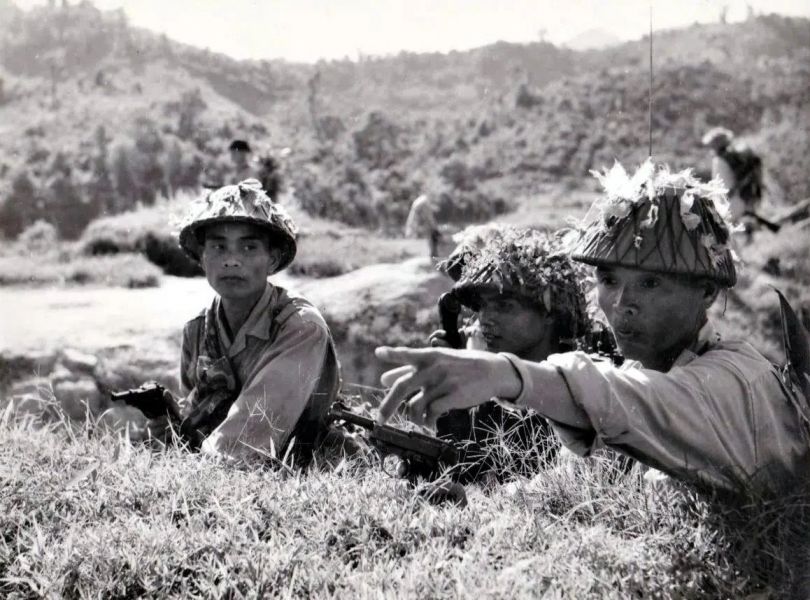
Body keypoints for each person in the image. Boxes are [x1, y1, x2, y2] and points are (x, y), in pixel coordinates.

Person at [375, 160, 810, 497]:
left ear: (708, 294)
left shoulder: (735, 379)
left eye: (651, 283)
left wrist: (505, 374)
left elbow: (644, 402)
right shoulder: (646, 374)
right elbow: (571, 482)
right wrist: (470, 498)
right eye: (608, 280)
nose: (622, 304)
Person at [100, 179, 340, 465]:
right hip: (221, 464)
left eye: (249, 248)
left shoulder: (300, 327)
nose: (231, 261)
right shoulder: (198, 329)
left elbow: (248, 438)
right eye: (219, 247)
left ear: (272, 260)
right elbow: (195, 412)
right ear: (202, 258)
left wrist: (188, 470)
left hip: (304, 469)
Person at [430, 225, 595, 482]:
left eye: (505, 306)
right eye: (482, 306)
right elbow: (460, 466)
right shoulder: (491, 396)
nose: (485, 319)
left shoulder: (583, 390)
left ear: (549, 313)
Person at [701, 127, 767, 242]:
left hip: (731, 202)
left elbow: (722, 187)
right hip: (744, 200)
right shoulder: (734, 156)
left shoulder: (719, 161)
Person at [404, 193, 440, 261]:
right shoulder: (425, 201)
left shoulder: (422, 200)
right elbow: (429, 216)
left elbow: (427, 215)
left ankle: (433, 253)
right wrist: (434, 226)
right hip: (418, 219)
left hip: (417, 218)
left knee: (430, 234)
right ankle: (433, 254)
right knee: (432, 234)